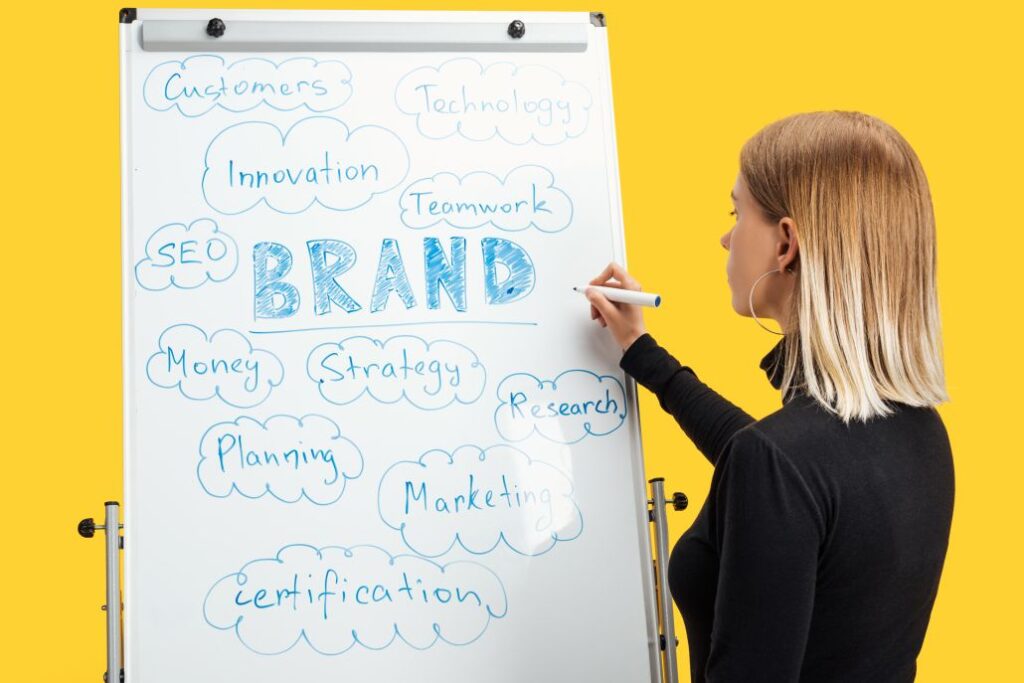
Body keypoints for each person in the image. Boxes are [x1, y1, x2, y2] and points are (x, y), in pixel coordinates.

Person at [585, 111, 954, 682]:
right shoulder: (917, 429)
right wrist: (641, 350)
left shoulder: (781, 461)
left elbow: (775, 470)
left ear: (786, 244)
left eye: (737, 213)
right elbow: (781, 473)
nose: (726, 237)